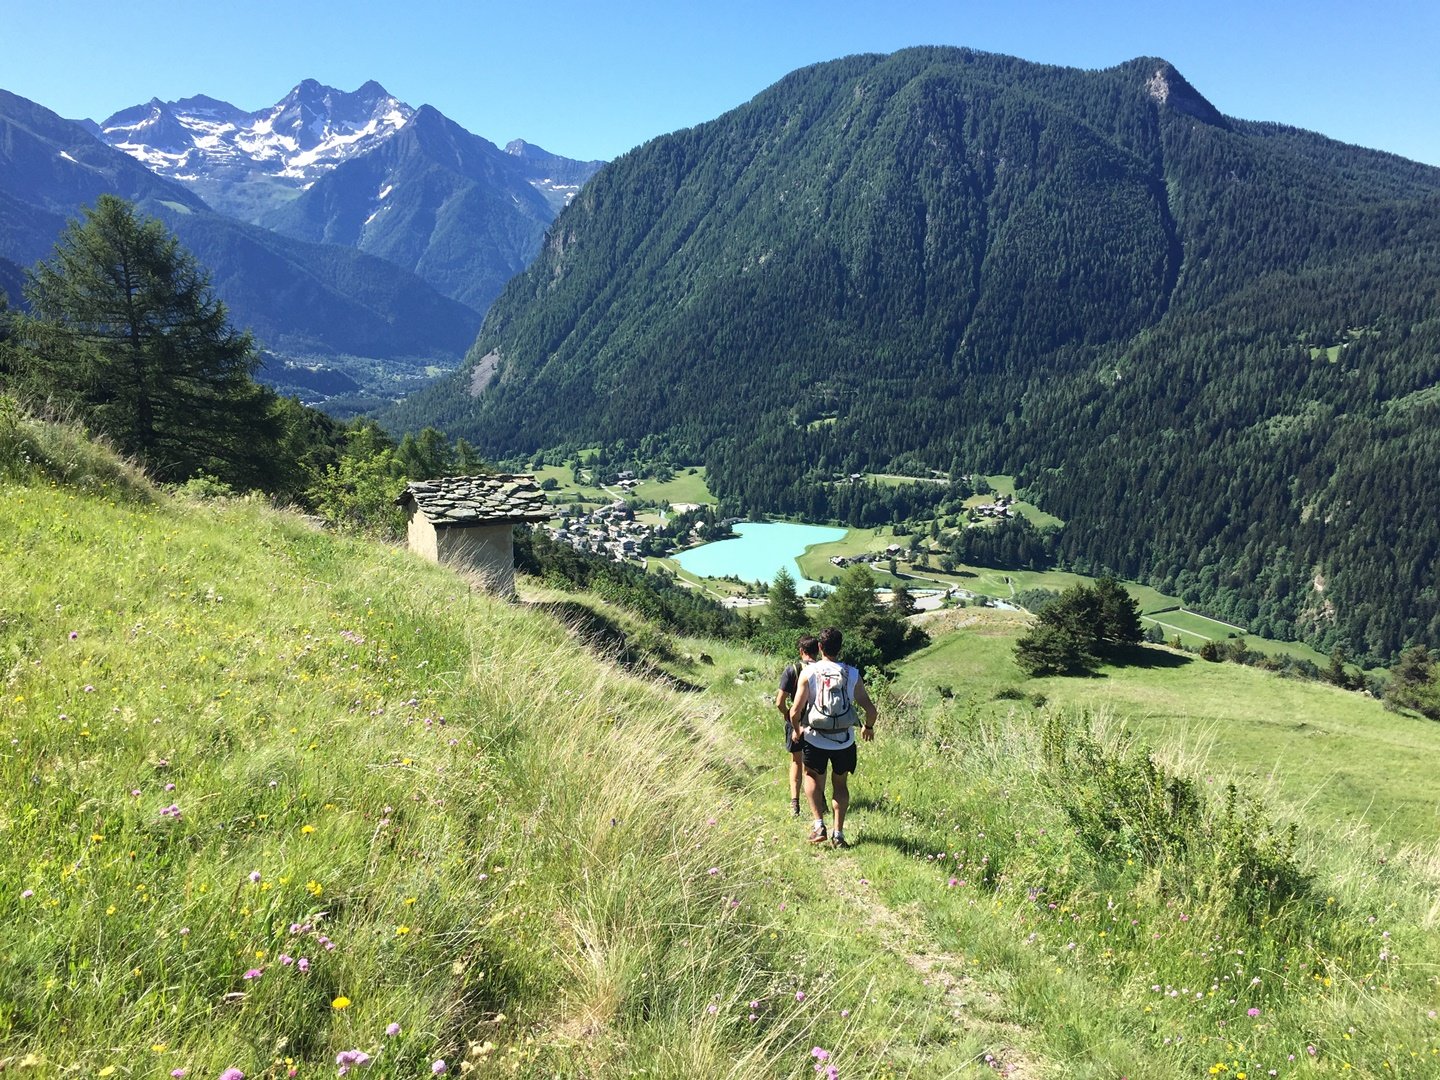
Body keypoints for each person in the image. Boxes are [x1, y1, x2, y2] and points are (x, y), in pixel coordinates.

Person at [789, 626, 877, 849]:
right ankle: (839, 834)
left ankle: (819, 826)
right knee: (840, 785)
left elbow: (794, 711)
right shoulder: (852, 674)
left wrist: (798, 730)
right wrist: (868, 727)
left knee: (812, 777)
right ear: (841, 648)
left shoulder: (809, 672)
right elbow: (871, 709)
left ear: (820, 647)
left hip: (816, 738)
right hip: (844, 740)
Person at [776, 634, 820, 816]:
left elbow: (779, 701)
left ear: (801, 651)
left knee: (796, 761)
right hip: (818, 723)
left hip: (796, 722)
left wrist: (788, 715)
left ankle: (795, 802)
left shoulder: (792, 670)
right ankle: (819, 800)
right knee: (816, 764)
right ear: (818, 650)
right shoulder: (822, 669)